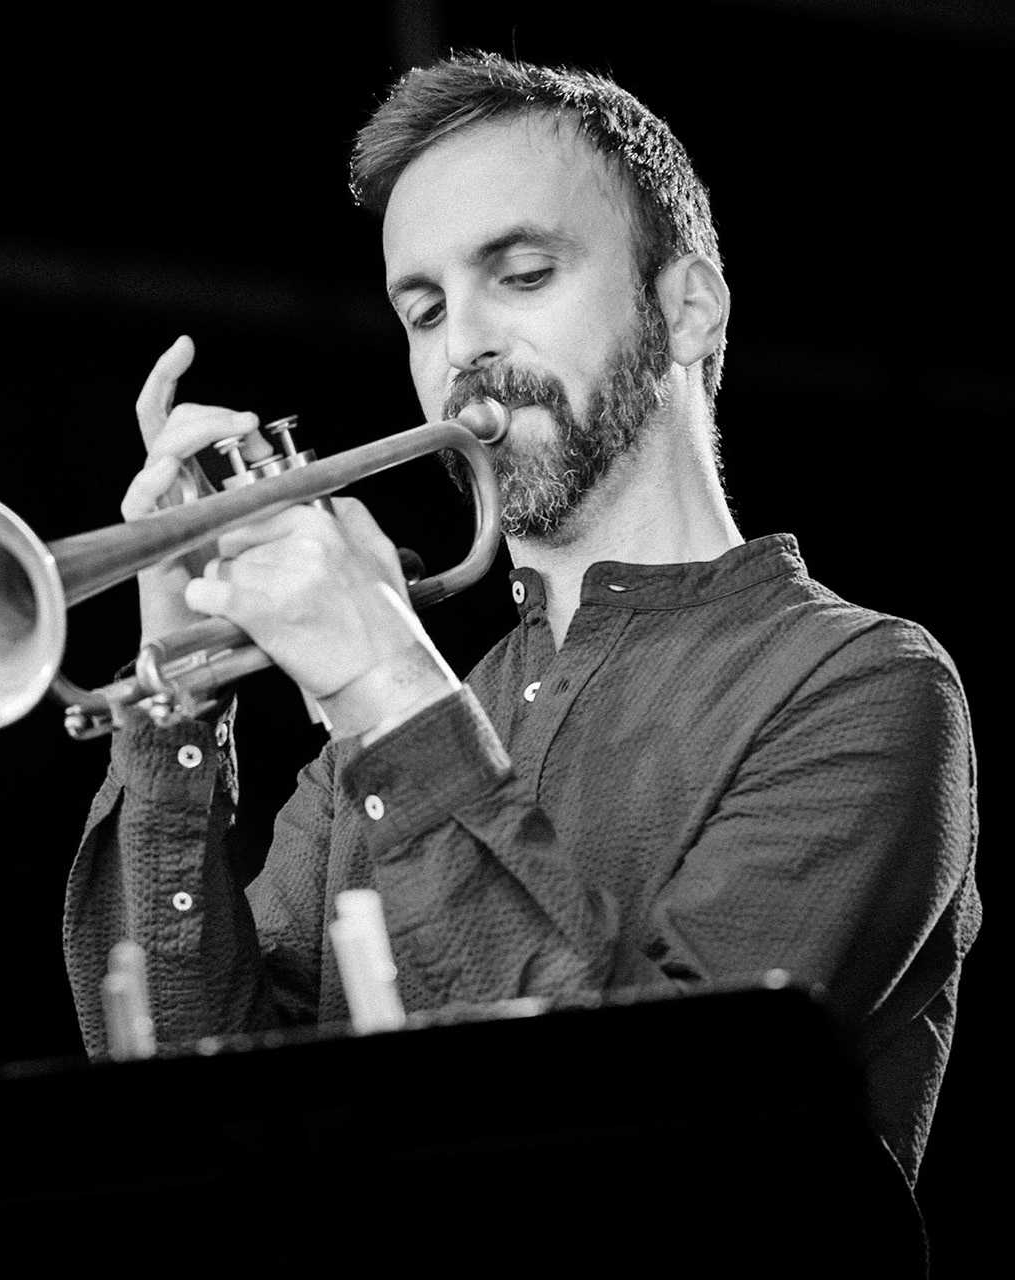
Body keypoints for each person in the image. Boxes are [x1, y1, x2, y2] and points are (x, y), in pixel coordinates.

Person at [60, 53, 980, 1189]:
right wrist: (180, 685)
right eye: (426, 308)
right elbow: (179, 1100)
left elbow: (655, 1140)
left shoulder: (861, 684)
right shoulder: (384, 743)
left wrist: (385, 689)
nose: (464, 347)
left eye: (527, 274)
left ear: (686, 307)